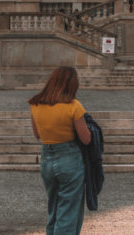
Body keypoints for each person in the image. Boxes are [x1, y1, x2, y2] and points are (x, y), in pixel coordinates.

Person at [28, 66, 92, 235]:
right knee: (69, 209)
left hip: (47, 158)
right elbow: (86, 138)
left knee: (54, 207)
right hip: (69, 157)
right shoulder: (73, 106)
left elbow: (37, 134)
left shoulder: (35, 104)